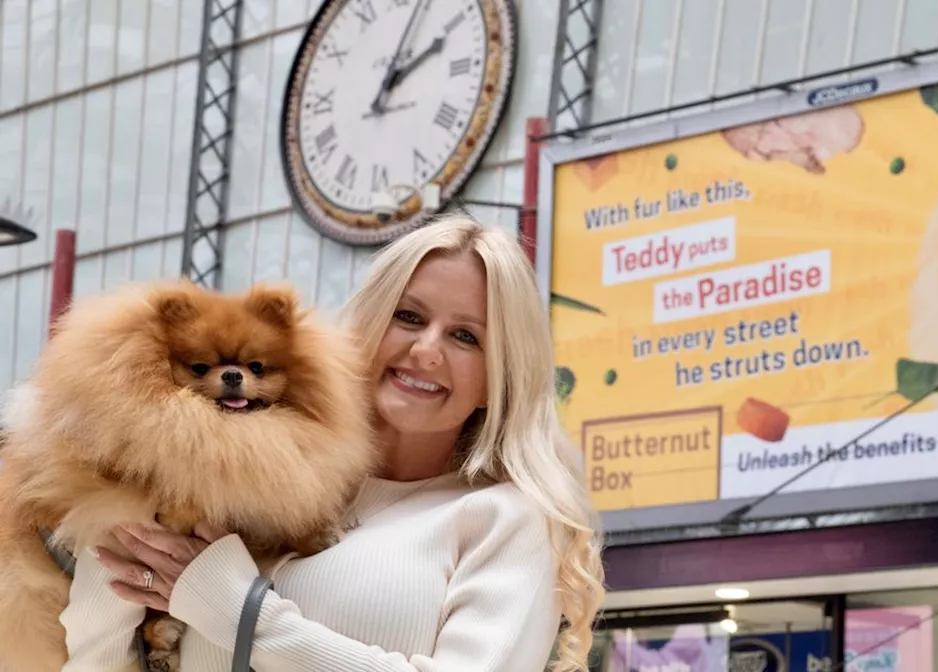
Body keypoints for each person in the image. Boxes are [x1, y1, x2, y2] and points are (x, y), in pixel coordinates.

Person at [59, 215, 606, 671]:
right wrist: (111, 512)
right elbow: (95, 658)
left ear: (499, 377)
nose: (426, 350)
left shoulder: (506, 519)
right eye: (408, 316)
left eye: (466, 336)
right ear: (367, 328)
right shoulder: (250, 492)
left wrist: (242, 610)